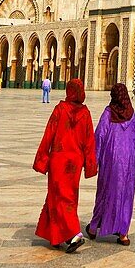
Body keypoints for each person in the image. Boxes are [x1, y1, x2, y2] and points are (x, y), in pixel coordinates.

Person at [33, 78, 96, 253]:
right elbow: (90, 142)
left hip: (58, 160)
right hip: (75, 163)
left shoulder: (60, 109)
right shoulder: (85, 113)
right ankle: (56, 235)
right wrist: (90, 165)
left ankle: (73, 233)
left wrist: (42, 160)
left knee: (60, 196)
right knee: (65, 197)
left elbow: (48, 135)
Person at [86, 83, 135, 247]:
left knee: (105, 193)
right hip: (128, 164)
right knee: (126, 196)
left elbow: (99, 136)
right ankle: (123, 234)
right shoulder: (131, 115)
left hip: (110, 161)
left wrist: (93, 161)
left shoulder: (108, 113)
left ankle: (93, 228)